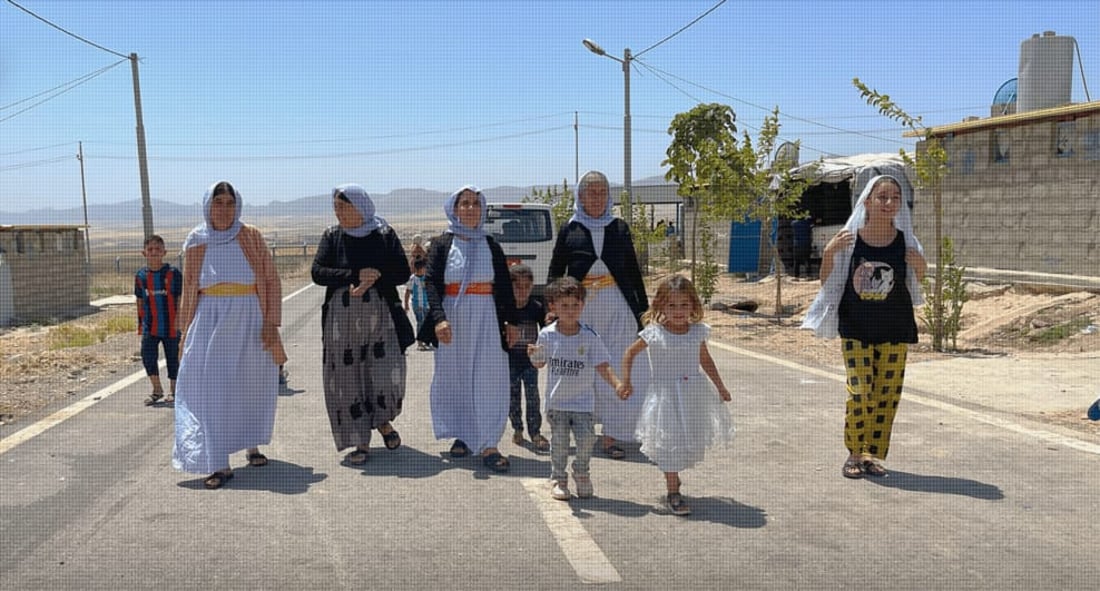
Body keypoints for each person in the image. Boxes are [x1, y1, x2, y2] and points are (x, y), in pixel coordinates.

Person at [801, 174, 927, 480]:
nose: (888, 203)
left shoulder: (906, 240)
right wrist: (830, 251)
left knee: (886, 394)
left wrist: (919, 262)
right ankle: (854, 453)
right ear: (867, 201)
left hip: (895, 328)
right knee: (859, 392)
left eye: (895, 197)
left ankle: (871, 454)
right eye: (881, 197)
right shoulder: (849, 239)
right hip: (855, 327)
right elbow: (827, 282)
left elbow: (918, 281)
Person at [174, 181, 288, 489]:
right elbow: (188, 289)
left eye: (229, 202)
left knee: (249, 385)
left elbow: (270, 279)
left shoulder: (250, 236)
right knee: (211, 388)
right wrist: (184, 332)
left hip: (250, 319)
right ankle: (219, 463)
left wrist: (270, 322)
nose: (224, 209)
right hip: (210, 321)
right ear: (207, 206)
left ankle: (251, 444)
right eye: (218, 202)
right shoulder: (196, 240)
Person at [548, 170, 648, 460]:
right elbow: (556, 271)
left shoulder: (619, 228)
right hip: (581, 310)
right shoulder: (570, 228)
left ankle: (612, 435)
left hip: (617, 308)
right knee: (579, 368)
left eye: (602, 192)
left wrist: (643, 312)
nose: (597, 197)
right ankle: (577, 433)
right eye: (591, 192)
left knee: (616, 368)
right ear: (579, 196)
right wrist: (552, 308)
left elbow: (632, 271)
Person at [419, 185, 519, 472]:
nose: (470, 209)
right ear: (454, 208)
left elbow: (503, 287)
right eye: (464, 203)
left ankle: (488, 443)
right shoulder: (442, 244)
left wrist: (511, 322)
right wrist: (439, 318)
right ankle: (462, 434)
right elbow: (432, 284)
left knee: (489, 378)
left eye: (476, 203)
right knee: (456, 378)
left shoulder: (491, 245)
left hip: (487, 319)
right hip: (453, 319)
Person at [312, 184, 413, 466]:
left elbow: (402, 271)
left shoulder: (384, 235)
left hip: (382, 319)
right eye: (336, 207)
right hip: (341, 321)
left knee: (383, 373)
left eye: (344, 206)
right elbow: (318, 273)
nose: (339, 212)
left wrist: (377, 275)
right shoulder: (332, 237)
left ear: (361, 206)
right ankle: (360, 441)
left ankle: (383, 422)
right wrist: (355, 274)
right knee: (347, 378)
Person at [618, 275, 734, 517]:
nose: (679, 311)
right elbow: (629, 354)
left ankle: (675, 480)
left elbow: (705, 360)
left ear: (693, 305)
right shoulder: (654, 333)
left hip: (693, 396)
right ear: (660, 306)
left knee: (684, 441)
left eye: (684, 305)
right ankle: (673, 492)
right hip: (665, 399)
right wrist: (626, 381)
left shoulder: (697, 333)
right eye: (672, 305)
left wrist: (721, 387)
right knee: (668, 444)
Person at [530, 277, 622, 500]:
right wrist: (534, 356)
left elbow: (602, 364)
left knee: (586, 440)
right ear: (553, 306)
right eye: (564, 306)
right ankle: (559, 478)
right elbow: (540, 363)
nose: (570, 310)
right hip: (557, 403)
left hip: (583, 404)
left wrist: (617, 384)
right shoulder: (547, 334)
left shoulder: (589, 336)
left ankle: (581, 472)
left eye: (575, 305)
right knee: (560, 444)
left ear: (583, 305)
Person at [135, 234, 182, 406]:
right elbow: (140, 299)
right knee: (148, 356)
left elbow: (180, 298)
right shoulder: (140, 276)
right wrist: (140, 323)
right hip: (150, 326)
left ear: (164, 252)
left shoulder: (173, 274)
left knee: (173, 358)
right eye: (150, 249)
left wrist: (179, 321)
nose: (154, 252)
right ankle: (157, 390)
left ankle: (175, 391)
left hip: (171, 326)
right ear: (144, 253)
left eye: (158, 249)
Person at [506, 264, 549, 451]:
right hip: (509, 360)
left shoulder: (537, 307)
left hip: (530, 361)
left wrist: (541, 353)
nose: (522, 291)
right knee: (512, 396)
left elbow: (546, 333)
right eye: (517, 287)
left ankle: (535, 432)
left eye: (526, 286)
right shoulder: (505, 308)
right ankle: (517, 428)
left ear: (532, 286)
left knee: (533, 396)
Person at [404, 258, 430, 351]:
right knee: (420, 322)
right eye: (424, 268)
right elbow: (407, 291)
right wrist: (406, 305)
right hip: (417, 305)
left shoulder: (427, 278)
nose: (425, 269)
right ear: (419, 269)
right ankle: (419, 342)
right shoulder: (412, 279)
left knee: (427, 323)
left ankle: (426, 339)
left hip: (427, 305)